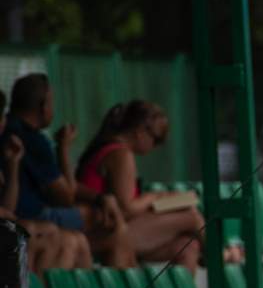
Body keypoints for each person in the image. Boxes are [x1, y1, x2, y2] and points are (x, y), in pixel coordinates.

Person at [73, 101, 204, 269]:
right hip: (103, 233)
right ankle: (222, 256)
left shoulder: (110, 148)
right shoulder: (120, 153)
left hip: (110, 228)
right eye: (157, 139)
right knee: (191, 216)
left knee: (188, 247)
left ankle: (209, 264)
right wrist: (154, 197)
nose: (156, 146)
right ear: (140, 132)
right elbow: (126, 208)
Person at [3, 74, 99, 270]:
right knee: (95, 220)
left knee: (75, 240)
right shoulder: (30, 139)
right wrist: (63, 148)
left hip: (24, 216)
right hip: (32, 215)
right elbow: (67, 197)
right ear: (43, 106)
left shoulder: (10, 133)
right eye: (52, 103)